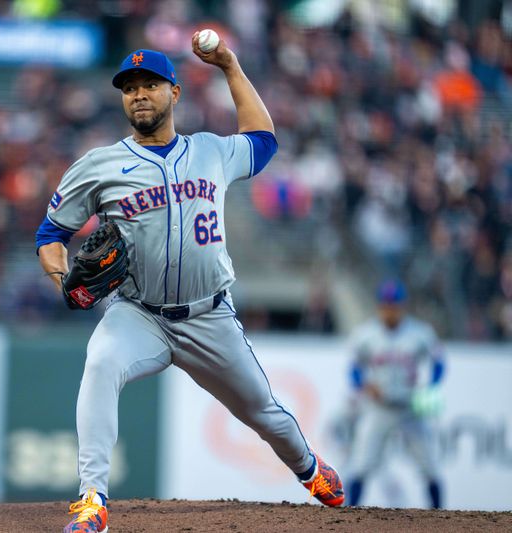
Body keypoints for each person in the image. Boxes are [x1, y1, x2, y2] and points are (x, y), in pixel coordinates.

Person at [36, 34, 344, 533]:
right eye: (129, 86)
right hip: (139, 314)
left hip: (209, 316)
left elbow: (264, 140)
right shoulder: (99, 166)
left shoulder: (210, 152)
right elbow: (51, 234)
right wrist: (59, 279)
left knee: (264, 413)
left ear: (174, 93)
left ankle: (309, 468)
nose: (139, 93)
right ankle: (92, 500)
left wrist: (229, 65)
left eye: (150, 84)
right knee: (98, 364)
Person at [346, 279, 446, 508]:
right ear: (379, 306)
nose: (390, 310)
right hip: (379, 408)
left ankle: (441, 520)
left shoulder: (420, 333)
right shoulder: (366, 334)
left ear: (403, 306)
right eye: (386, 305)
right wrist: (364, 385)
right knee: (361, 464)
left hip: (410, 407)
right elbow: (353, 369)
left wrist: (430, 386)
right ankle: (347, 519)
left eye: (394, 305)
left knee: (429, 466)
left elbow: (439, 363)